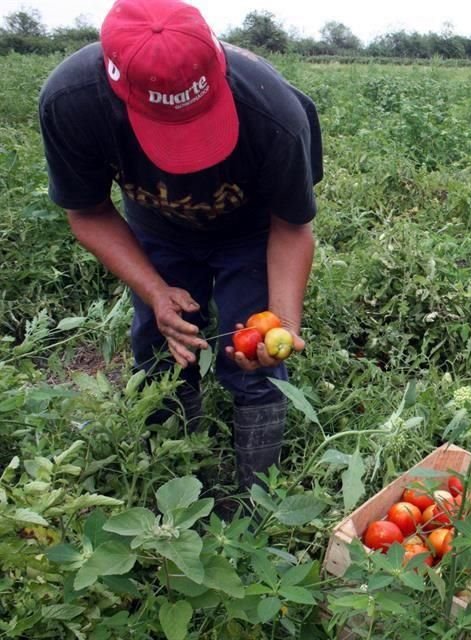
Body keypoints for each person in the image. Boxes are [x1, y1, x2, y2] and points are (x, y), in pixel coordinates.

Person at [38, 0, 323, 491]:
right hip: (156, 229)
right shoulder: (72, 101)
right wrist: (155, 290)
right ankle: (175, 485)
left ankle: (257, 505)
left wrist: (284, 325)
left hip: (250, 231)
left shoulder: (275, 112)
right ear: (118, 90)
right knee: (158, 348)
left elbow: (291, 226)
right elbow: (86, 211)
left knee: (252, 361)